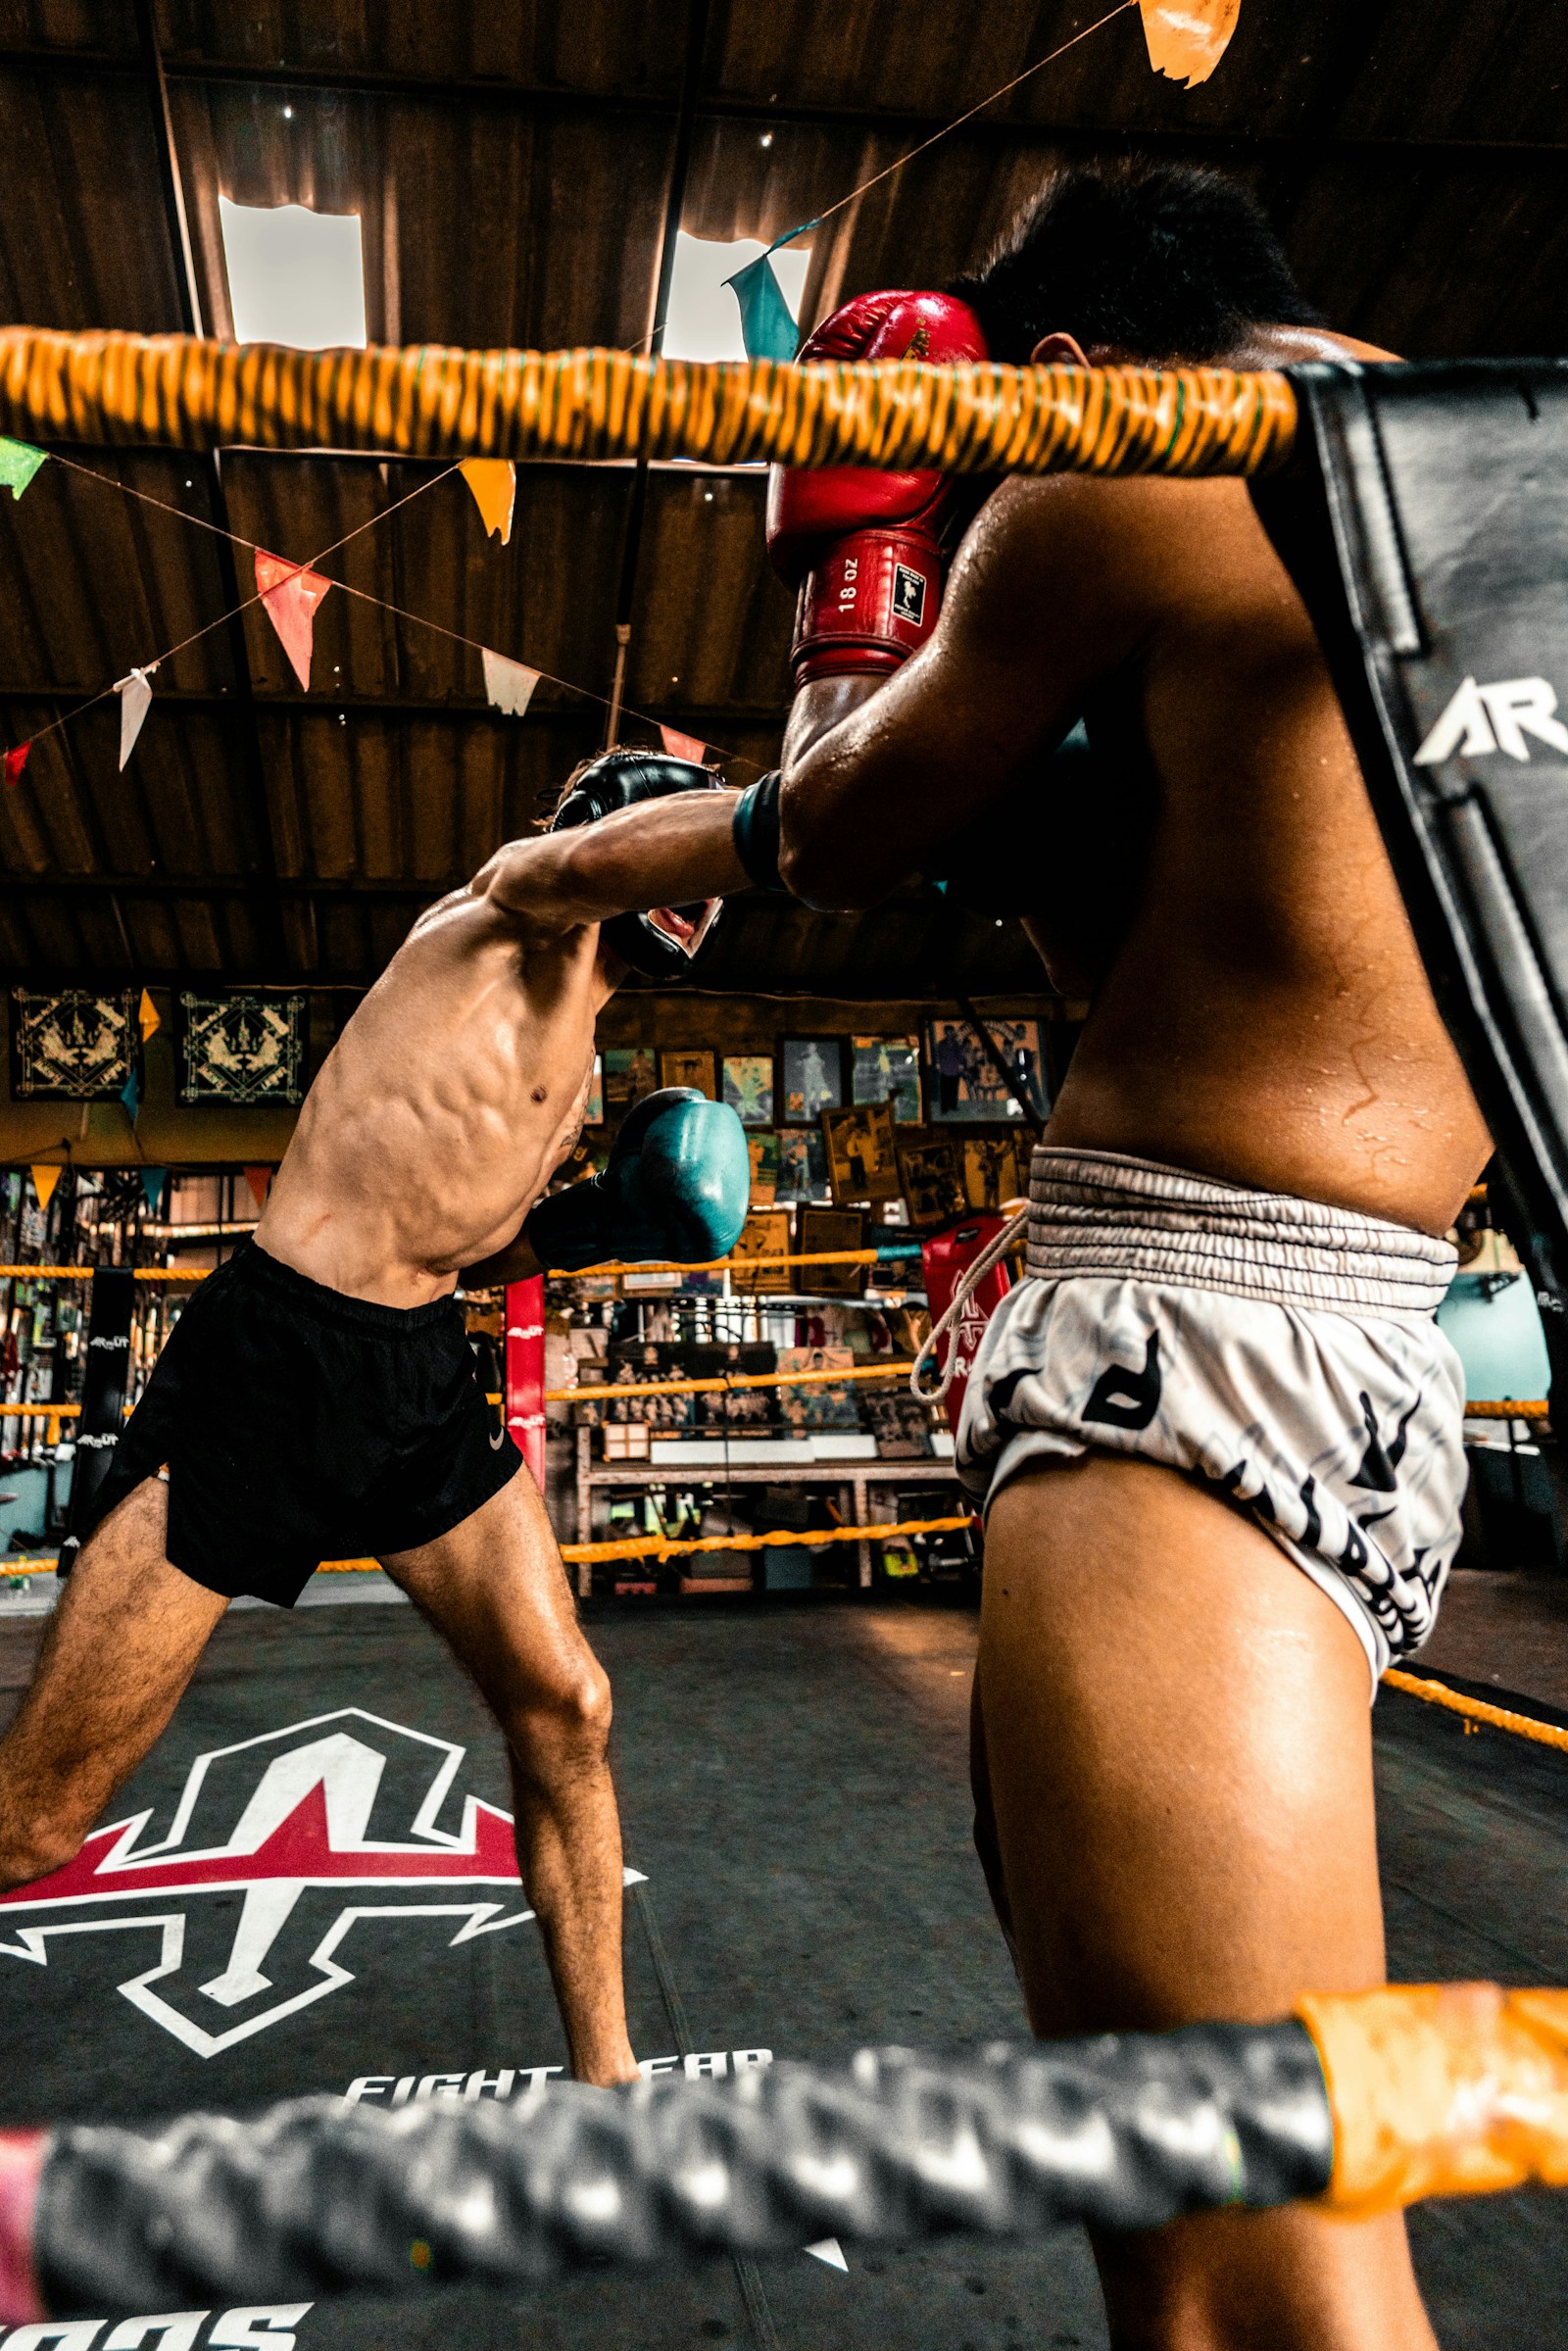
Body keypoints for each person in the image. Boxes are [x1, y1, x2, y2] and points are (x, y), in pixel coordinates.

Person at [735, 165, 1487, 2346]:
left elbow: (836, 832)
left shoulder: (1126, 474)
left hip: (1187, 1334)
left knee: (1271, 2274)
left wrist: (870, 572)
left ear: (1063, 372)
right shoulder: (1483, 496)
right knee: (1173, 2256)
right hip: (1367, 1346)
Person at [0, 751, 751, 2089]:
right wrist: (786, 815)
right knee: (39, 1821)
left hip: (416, 1374)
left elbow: (478, 1244)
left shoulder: (581, 1059)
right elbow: (571, 868)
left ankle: (612, 2085)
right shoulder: (499, 915)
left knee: (568, 1704)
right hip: (276, 1368)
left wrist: (591, 1227)